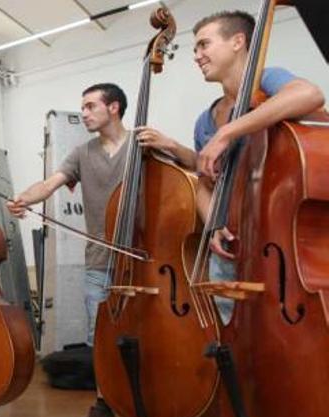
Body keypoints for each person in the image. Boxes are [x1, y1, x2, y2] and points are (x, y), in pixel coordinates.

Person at [132, 10, 324, 323]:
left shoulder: (267, 81)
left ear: (237, 42)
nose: (197, 55)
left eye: (204, 45)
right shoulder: (204, 120)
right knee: (230, 340)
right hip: (232, 246)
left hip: (283, 246)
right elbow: (205, 181)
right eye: (195, 48)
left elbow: (310, 94)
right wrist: (213, 224)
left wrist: (228, 132)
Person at [6, 83, 131, 417]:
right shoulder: (81, 153)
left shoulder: (142, 145)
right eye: (83, 107)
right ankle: (105, 403)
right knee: (99, 335)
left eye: (91, 106)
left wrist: (170, 145)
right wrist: (24, 199)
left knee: (143, 333)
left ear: (114, 108)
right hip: (99, 259)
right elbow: (49, 184)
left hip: (143, 259)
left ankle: (142, 401)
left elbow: (187, 168)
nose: (85, 113)